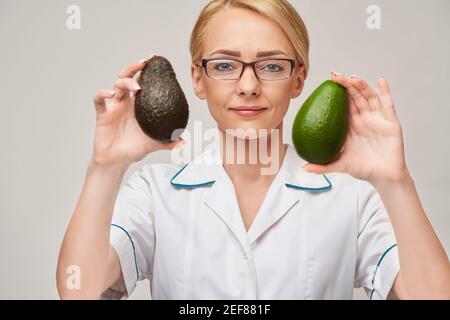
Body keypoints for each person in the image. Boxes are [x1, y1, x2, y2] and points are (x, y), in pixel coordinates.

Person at [56, 0, 449, 300]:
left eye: (272, 66)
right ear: (198, 79)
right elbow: (78, 290)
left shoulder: (353, 197)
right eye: (225, 65)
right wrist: (105, 166)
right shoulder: (154, 193)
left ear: (298, 80)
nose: (248, 86)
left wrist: (395, 182)